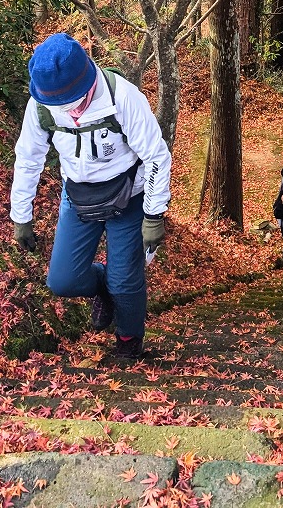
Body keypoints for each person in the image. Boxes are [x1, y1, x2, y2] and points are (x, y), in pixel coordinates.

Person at [10, 32, 171, 359]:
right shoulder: (41, 105)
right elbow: (28, 157)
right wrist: (21, 216)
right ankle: (104, 287)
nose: (70, 112)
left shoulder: (122, 96)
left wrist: (154, 215)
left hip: (128, 196)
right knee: (62, 281)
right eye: (60, 105)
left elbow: (156, 155)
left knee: (125, 281)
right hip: (78, 197)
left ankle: (129, 341)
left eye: (74, 102)